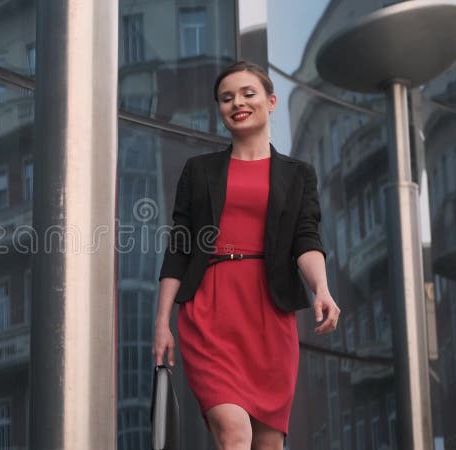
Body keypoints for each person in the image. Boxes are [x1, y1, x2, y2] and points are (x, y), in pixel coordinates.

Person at [152, 60, 341, 450]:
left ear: (271, 102)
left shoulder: (297, 174)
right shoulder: (199, 171)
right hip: (210, 310)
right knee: (234, 432)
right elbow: (180, 247)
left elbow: (306, 238)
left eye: (247, 93)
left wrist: (321, 287)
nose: (236, 102)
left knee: (268, 443)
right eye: (226, 98)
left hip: (270, 317)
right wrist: (161, 322)